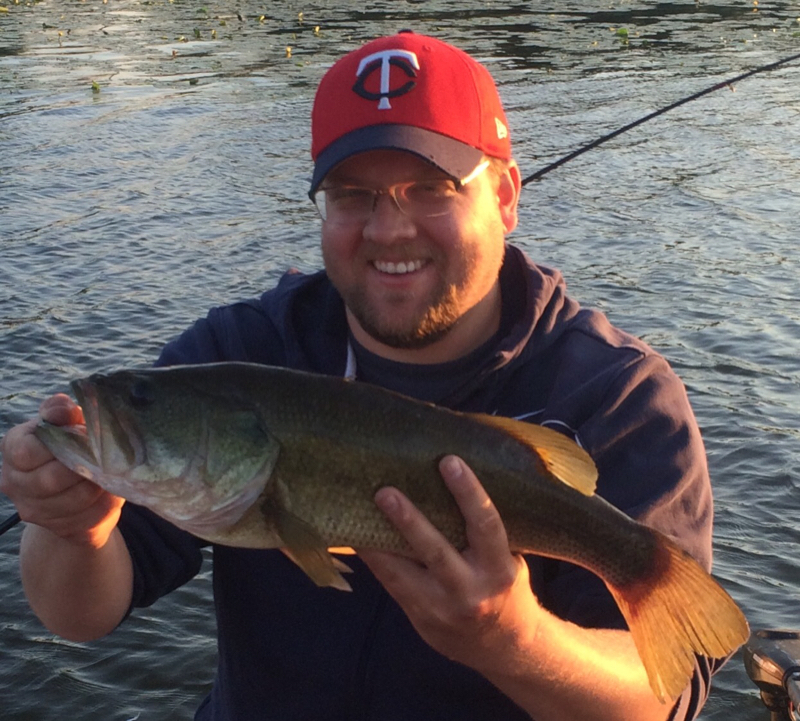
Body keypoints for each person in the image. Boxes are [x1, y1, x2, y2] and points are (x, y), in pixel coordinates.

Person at [0, 31, 727, 721]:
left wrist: (515, 640)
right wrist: (73, 527)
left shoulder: (617, 396)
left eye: (432, 187)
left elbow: (660, 699)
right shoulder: (242, 351)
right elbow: (77, 616)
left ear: (506, 195)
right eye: (352, 193)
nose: (388, 229)